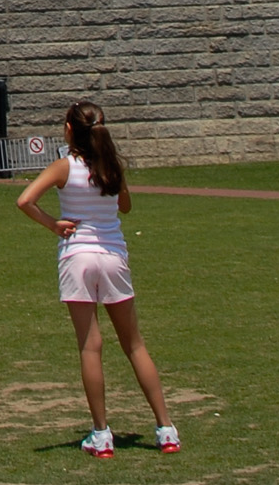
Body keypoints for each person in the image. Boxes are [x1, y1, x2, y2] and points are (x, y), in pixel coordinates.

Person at [17, 101, 180, 459]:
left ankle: (101, 434)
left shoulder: (64, 166)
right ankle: (166, 429)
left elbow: (25, 200)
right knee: (134, 344)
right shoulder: (112, 165)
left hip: (78, 257)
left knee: (91, 346)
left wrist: (53, 224)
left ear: (71, 130)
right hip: (112, 256)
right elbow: (125, 207)